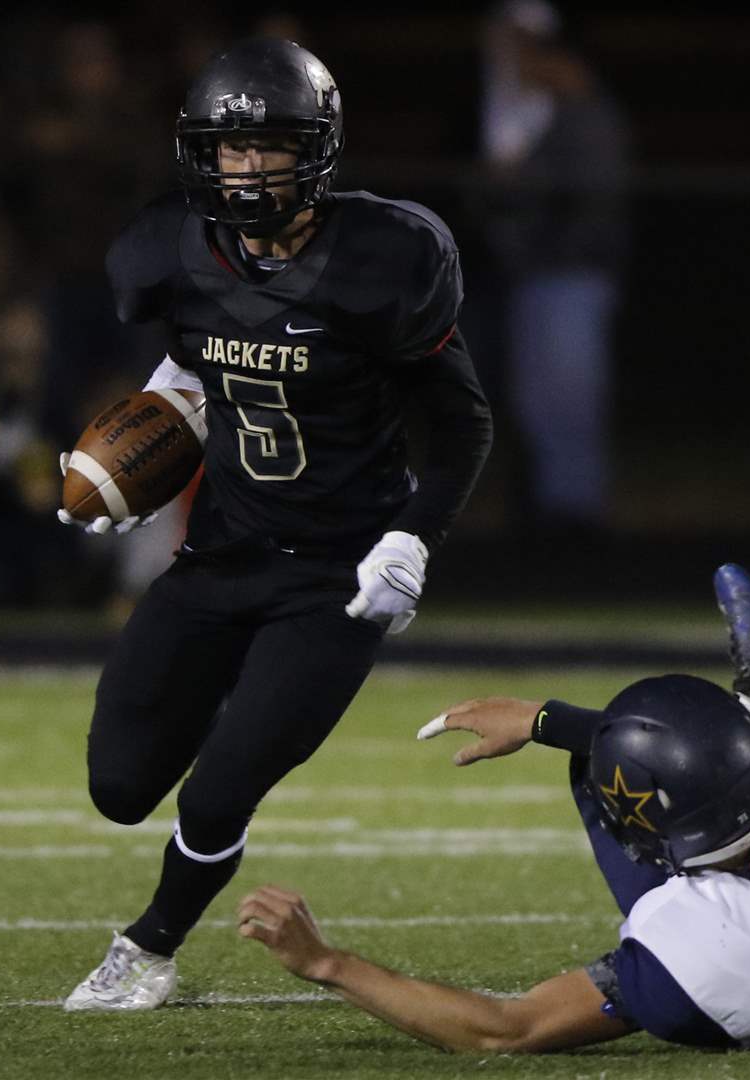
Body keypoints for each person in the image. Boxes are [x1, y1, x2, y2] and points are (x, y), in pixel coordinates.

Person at [60, 37, 492, 1011]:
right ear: (202, 155)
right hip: (220, 556)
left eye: (274, 147)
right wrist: (132, 453)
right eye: (233, 149)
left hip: (337, 575)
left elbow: (462, 417)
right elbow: (189, 367)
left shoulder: (383, 259)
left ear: (321, 150)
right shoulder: (168, 251)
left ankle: (150, 949)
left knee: (219, 792)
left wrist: (415, 535)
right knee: (119, 788)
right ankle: (244, 700)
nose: (251, 169)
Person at [238, 564, 750, 1052]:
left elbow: (506, 1029)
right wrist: (545, 717)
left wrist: (326, 963)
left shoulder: (703, 961)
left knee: (596, 774)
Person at [467, 0, 629, 533]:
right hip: (526, 275)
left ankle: (573, 512)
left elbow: (588, 200)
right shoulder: (513, 110)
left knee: (566, 394)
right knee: (534, 397)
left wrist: (516, 186)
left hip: (568, 273)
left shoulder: (582, 112)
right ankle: (544, 505)